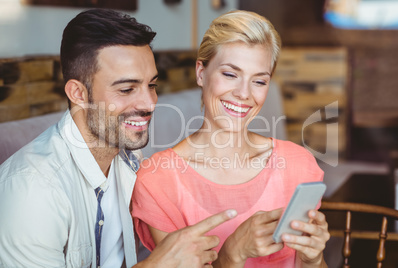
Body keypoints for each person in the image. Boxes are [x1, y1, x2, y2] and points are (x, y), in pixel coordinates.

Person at [0, 9, 238, 268]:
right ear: (78, 93)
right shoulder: (32, 192)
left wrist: (231, 254)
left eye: (152, 85)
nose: (149, 103)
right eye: (127, 89)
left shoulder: (128, 157)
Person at [132, 10, 330, 267]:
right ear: (201, 73)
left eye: (259, 81)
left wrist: (312, 259)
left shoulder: (297, 165)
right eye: (230, 74)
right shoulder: (158, 182)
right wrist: (232, 253)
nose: (244, 93)